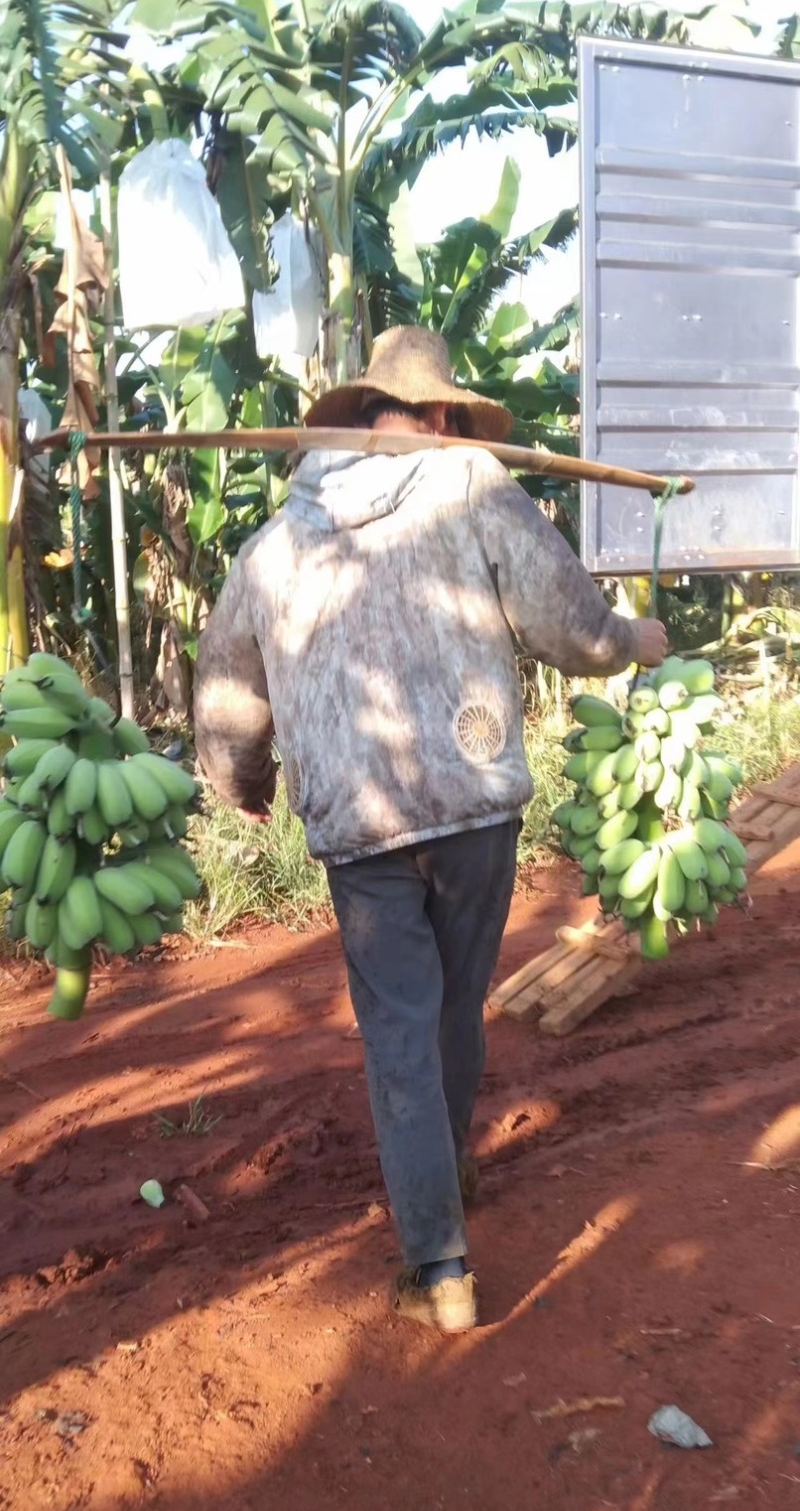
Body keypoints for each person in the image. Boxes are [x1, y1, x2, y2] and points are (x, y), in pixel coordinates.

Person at [194, 325, 667, 1334]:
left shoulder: (273, 546)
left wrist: (239, 775)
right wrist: (632, 640)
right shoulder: (474, 487)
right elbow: (571, 628)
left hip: (357, 826)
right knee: (452, 1007)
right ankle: (441, 1177)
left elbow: (229, 689)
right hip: (472, 800)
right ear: (441, 414)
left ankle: (438, 1263)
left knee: (402, 1028)